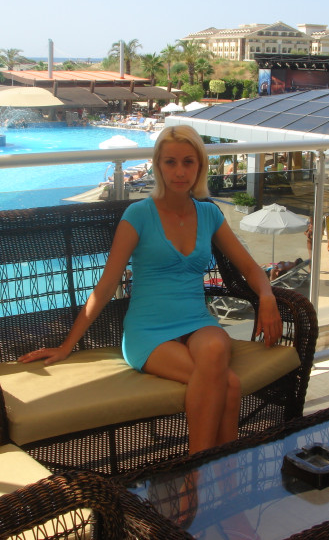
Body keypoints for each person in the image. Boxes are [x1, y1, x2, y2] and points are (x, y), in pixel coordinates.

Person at [19, 125, 282, 459]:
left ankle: (205, 472)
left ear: (200, 166)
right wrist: (67, 345)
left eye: (188, 162)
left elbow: (249, 267)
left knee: (216, 345)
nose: (179, 171)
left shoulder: (209, 214)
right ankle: (206, 471)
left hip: (197, 323)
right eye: (170, 162)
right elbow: (106, 285)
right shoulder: (139, 214)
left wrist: (267, 297)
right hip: (149, 333)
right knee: (226, 384)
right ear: (158, 165)